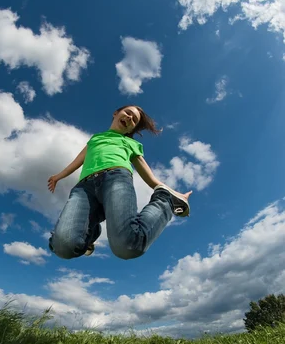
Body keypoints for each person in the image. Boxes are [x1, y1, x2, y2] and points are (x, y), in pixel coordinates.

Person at [47, 105, 192, 260]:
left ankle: (165, 201)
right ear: (116, 113)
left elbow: (149, 176)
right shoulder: (95, 138)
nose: (130, 118)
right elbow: (78, 161)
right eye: (128, 113)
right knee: (63, 247)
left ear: (131, 129)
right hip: (84, 188)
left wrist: (172, 193)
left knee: (127, 247)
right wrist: (58, 176)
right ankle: (90, 233)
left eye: (134, 120)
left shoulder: (129, 143)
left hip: (116, 179)